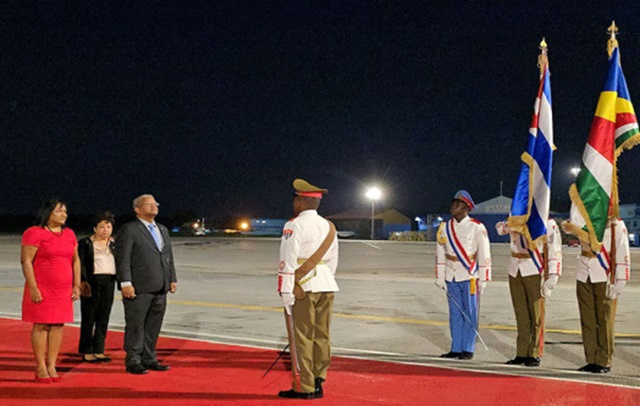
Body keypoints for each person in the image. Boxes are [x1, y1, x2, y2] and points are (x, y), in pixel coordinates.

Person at [277, 179, 339, 400]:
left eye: (295, 199)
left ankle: (305, 386)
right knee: (322, 335)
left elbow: (288, 259)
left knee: (302, 336)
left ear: (302, 202)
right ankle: (319, 379)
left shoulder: (293, 225)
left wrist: (286, 290)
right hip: (326, 284)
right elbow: (333, 262)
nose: (294, 203)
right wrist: (324, 278)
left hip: (303, 287)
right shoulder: (329, 226)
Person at [115, 194, 177, 375]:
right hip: (139, 287)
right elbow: (123, 258)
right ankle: (133, 360)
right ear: (137, 209)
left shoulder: (162, 229)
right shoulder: (130, 229)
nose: (153, 206)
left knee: (153, 325)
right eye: (148, 204)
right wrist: (125, 282)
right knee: (136, 324)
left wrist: (172, 278)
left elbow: (167, 257)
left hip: (160, 286)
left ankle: (149, 358)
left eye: (155, 203)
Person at [20, 199, 81, 383]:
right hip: (42, 287)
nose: (64, 214)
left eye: (65, 211)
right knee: (41, 325)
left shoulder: (69, 234)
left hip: (63, 289)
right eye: (60, 211)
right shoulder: (34, 233)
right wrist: (33, 287)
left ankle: (52, 364)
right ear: (48, 213)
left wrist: (76, 285)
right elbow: (27, 261)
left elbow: (75, 260)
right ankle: (40, 366)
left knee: (57, 325)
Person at [562, 217, 629, 374]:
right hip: (584, 271)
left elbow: (622, 250)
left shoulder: (616, 224)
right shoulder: (583, 219)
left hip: (604, 273)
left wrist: (621, 279)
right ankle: (591, 359)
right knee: (587, 318)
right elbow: (567, 228)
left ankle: (604, 360)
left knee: (605, 319)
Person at [495, 219, 562, 367]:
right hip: (515, 269)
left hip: (534, 268)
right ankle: (522, 352)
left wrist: (553, 275)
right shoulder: (517, 218)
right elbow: (500, 229)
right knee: (521, 314)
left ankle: (534, 353)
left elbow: (554, 249)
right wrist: (513, 224)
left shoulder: (547, 222)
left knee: (536, 315)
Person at [435, 190, 491, 360]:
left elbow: (484, 252)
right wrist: (440, 275)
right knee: (454, 313)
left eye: (457, 204)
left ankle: (468, 348)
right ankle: (456, 347)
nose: (453, 207)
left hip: (469, 274)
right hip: (451, 274)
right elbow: (440, 251)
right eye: (453, 204)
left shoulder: (476, 226)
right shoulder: (445, 227)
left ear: (466, 208)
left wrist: (484, 277)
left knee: (470, 312)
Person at [78, 211, 117, 363]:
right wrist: (82, 281)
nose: (105, 230)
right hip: (91, 282)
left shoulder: (114, 244)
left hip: (109, 282)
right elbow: (80, 264)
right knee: (89, 317)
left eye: (108, 226)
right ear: (95, 228)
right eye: (101, 227)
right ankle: (87, 350)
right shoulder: (86, 243)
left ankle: (99, 349)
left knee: (103, 316)